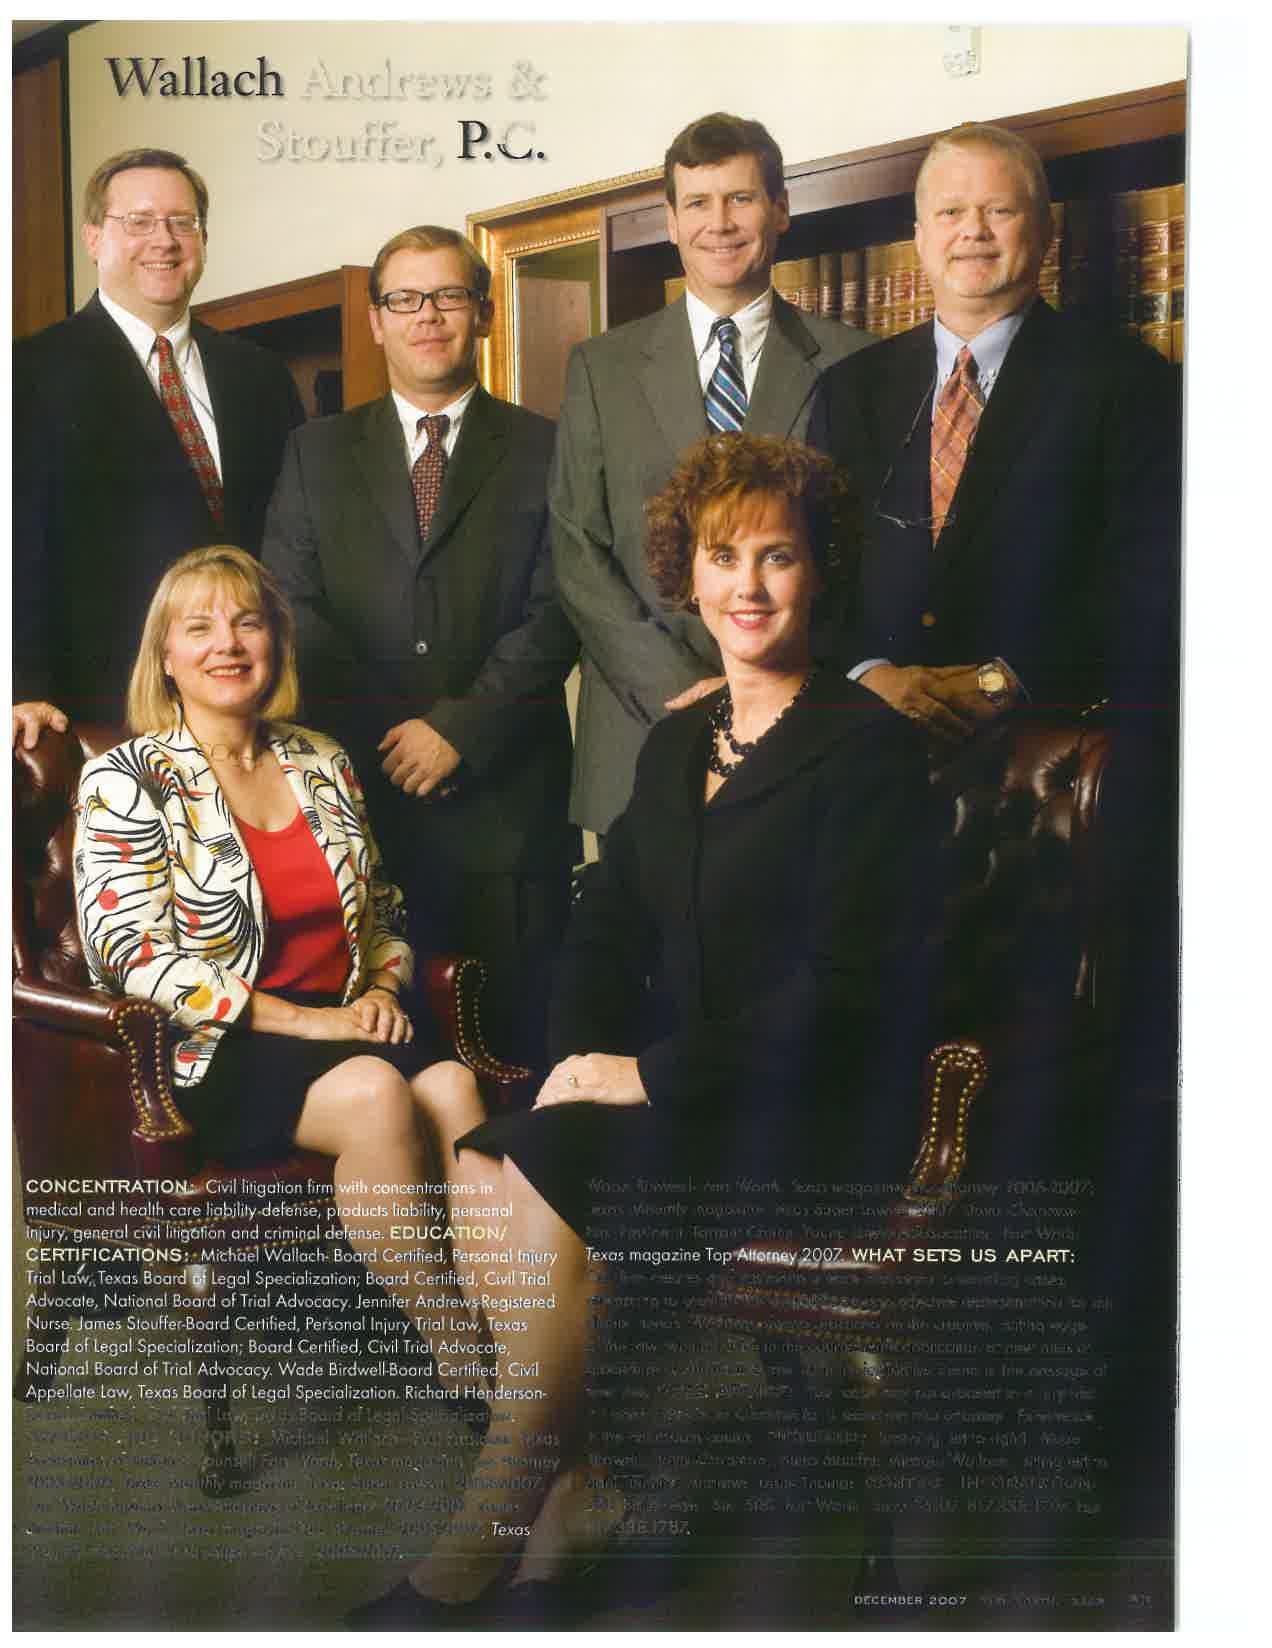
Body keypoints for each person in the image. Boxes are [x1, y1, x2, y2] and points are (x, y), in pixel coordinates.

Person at [348, 435, 935, 1628]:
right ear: (688, 575)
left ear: (821, 571)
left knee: (530, 1165)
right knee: (492, 1153)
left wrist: (647, 1074)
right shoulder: (679, 740)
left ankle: (493, 1522)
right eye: (724, 557)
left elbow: (850, 990)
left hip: (809, 1113)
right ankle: (574, 1484)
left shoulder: (868, 747)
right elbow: (606, 924)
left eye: (779, 556)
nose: (749, 585)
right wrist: (579, 1059)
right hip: (688, 1094)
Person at [72, 546, 489, 1382]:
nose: (227, 644)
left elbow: (384, 909)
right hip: (221, 1046)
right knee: (375, 1094)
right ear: (166, 655)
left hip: (345, 1023)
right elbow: (129, 954)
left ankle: (508, 1341)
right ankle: (458, 1354)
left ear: (275, 644)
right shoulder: (126, 778)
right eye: (199, 627)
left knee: (453, 1087)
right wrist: (310, 1023)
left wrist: (382, 986)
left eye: (247, 623)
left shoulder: (322, 760)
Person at [263, 226, 577, 1065]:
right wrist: (396, 733)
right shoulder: (315, 452)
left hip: (507, 813)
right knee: (380, 1065)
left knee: (515, 1061)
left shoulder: (550, 446)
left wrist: (457, 730)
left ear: (483, 313)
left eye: (447, 296)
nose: (426, 316)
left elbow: (561, 610)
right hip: (362, 803)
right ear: (376, 320)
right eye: (404, 299)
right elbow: (291, 607)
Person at [551, 112, 873, 839]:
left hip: (798, 730)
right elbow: (576, 550)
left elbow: (855, 552)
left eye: (741, 198)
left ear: (780, 209)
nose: (719, 223)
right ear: (671, 221)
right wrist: (683, 688)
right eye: (697, 202)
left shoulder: (853, 362)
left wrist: (771, 691)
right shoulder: (601, 368)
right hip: (639, 729)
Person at [810, 121, 1182, 738]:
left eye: (999, 210)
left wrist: (1002, 683)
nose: (973, 231)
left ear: (1044, 232)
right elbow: (810, 562)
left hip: (1040, 741)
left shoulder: (1125, 380)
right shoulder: (849, 389)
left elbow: (1147, 580)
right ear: (919, 238)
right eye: (950, 212)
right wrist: (867, 674)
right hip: (866, 738)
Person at [13, 147, 305, 746]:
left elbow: (296, 540)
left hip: (254, 706)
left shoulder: (261, 375)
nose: (164, 241)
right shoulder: (28, 374)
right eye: (139, 221)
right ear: (94, 238)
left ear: (203, 239)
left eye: (182, 222)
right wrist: (20, 684)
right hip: (106, 709)